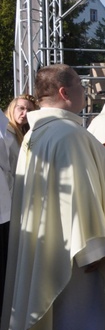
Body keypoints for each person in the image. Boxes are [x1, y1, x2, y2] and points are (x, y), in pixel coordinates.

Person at [1, 64, 105, 330]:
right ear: (64, 92)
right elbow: (80, 195)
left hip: (51, 248)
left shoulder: (37, 134)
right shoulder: (68, 134)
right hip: (77, 259)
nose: (84, 94)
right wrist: (95, 252)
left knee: (60, 329)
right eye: (81, 88)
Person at [1, 95, 38, 305]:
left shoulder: (23, 134)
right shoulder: (6, 132)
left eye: (29, 110)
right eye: (21, 108)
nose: (24, 113)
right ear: (11, 108)